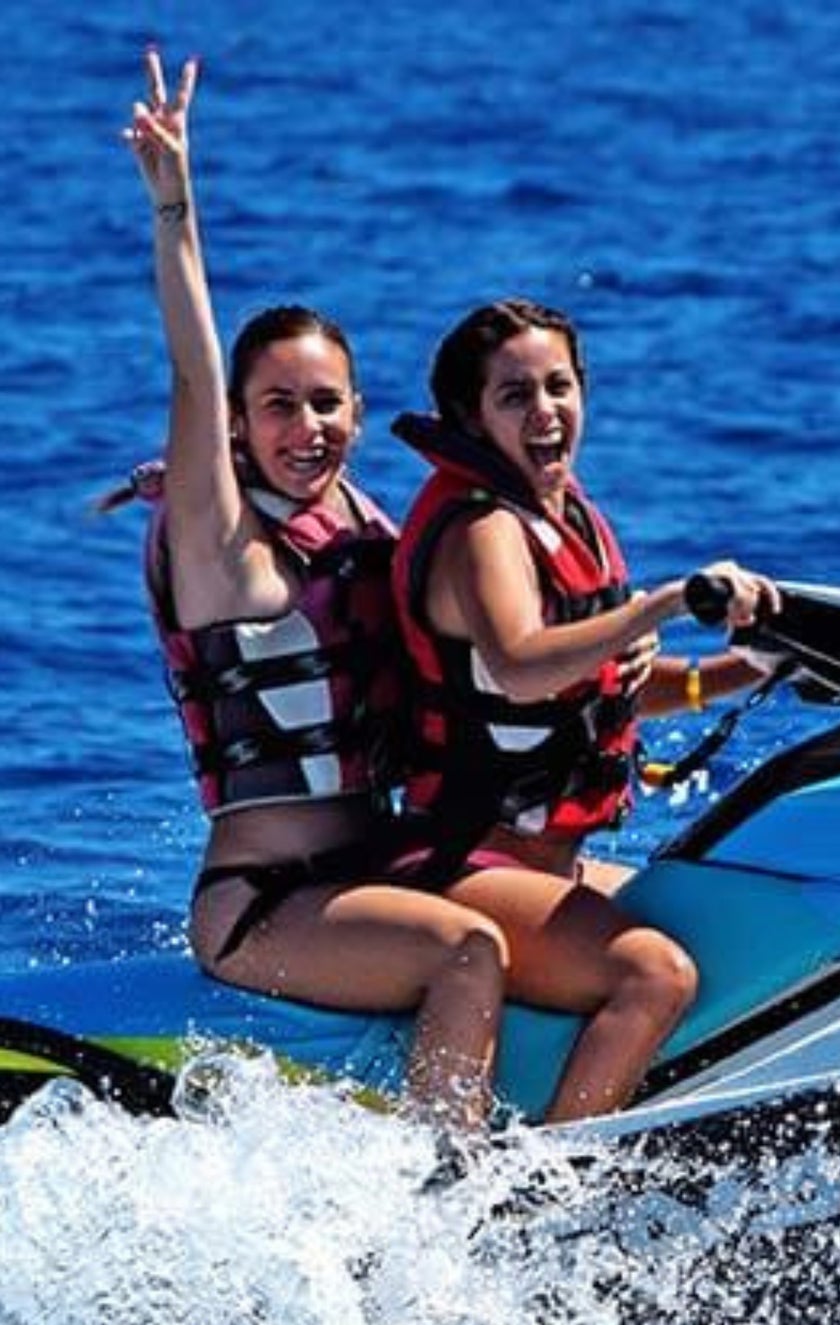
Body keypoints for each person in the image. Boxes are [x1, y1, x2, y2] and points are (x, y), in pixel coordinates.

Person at [118, 48, 509, 1134]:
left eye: (327, 403)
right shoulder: (220, 548)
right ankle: (444, 1218)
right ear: (239, 424)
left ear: (357, 406)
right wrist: (175, 207)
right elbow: (194, 368)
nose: (309, 426)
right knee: (469, 951)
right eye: (278, 406)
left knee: (611, 906)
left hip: (383, 860)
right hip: (264, 907)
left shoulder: (368, 532)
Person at [390, 297, 782, 1122]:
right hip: (466, 861)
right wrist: (664, 603)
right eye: (514, 396)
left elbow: (607, 686)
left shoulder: (566, 520)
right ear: (469, 416)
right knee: (655, 972)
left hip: (546, 860)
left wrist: (745, 669)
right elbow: (521, 663)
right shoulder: (483, 529)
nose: (545, 412)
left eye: (559, 387)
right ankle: (550, 1195)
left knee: (709, 908)